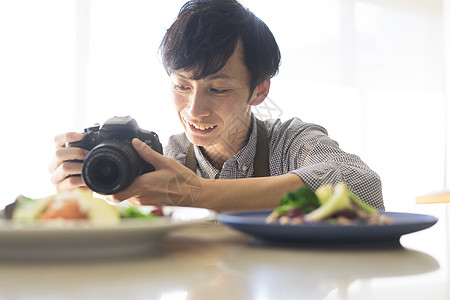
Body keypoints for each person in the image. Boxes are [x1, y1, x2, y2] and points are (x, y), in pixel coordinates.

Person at [49, 0, 384, 212]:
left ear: (259, 90)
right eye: (182, 85)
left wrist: (197, 193)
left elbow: (361, 183)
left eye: (218, 89)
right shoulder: (169, 158)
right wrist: (79, 194)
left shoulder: (290, 143)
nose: (194, 110)